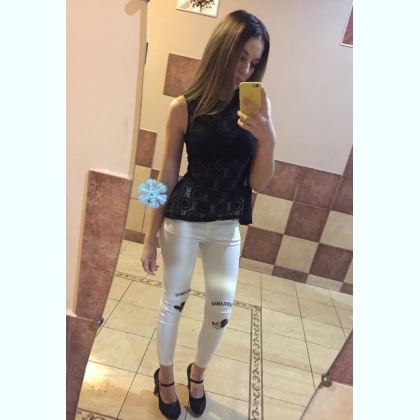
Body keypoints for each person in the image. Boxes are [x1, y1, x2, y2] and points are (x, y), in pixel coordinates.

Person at [141, 9, 276, 419]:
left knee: (222, 309)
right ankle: (166, 377)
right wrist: (148, 236)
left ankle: (196, 374)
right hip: (183, 218)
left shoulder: (257, 108)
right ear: (222, 50)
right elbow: (165, 174)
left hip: (227, 223)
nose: (246, 70)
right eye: (240, 57)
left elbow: (259, 183)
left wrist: (269, 139)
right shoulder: (183, 106)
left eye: (254, 62)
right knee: (174, 302)